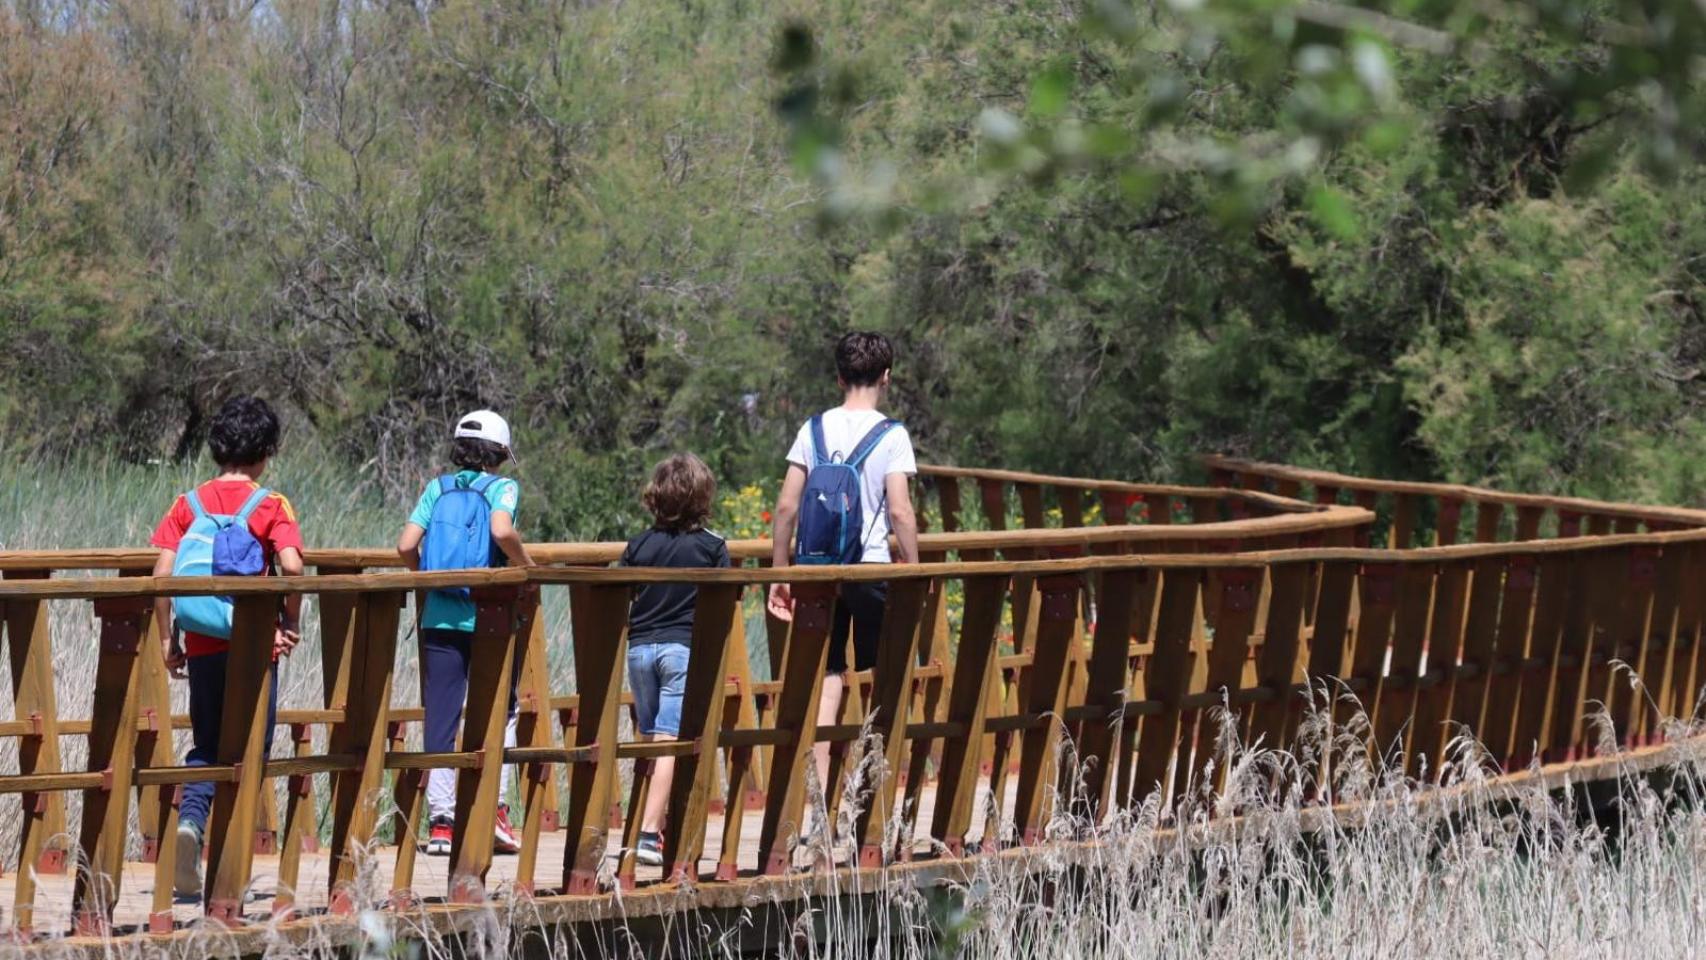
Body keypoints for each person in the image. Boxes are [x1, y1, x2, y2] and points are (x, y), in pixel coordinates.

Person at [149, 395, 304, 898]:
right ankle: (228, 871)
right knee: (252, 747)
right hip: (252, 646)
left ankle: (192, 824)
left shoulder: (186, 505)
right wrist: (289, 622)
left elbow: (162, 576)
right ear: (265, 452)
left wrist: (167, 639)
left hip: (202, 644)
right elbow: (294, 566)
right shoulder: (270, 505)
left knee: (207, 745)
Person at [766, 331, 920, 812]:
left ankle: (815, 809)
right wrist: (913, 570)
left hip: (817, 572)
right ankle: (869, 805)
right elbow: (900, 512)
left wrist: (779, 571)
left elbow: (787, 506)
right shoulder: (891, 435)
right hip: (869, 570)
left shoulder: (813, 429)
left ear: (838, 377)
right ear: (886, 377)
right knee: (884, 678)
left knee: (829, 679)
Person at [396, 410, 535, 857]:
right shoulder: (502, 488)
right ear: (499, 453)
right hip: (488, 613)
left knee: (442, 715)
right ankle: (494, 808)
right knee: (502, 708)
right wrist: (526, 568)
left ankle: (441, 822)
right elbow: (501, 529)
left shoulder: (437, 488)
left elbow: (404, 546)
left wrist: (427, 579)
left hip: (439, 613)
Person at [620, 453, 731, 866]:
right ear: (702, 497)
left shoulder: (638, 545)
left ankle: (648, 824)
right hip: (680, 649)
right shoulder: (712, 547)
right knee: (668, 741)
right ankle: (649, 834)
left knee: (651, 738)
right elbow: (722, 603)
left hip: (640, 650)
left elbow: (624, 594)